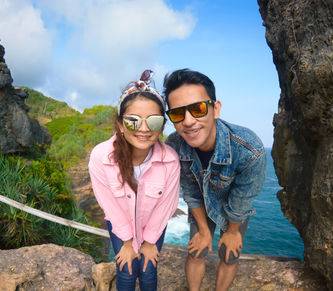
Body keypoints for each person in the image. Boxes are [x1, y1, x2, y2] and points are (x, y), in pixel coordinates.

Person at [164, 68, 267, 291]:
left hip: (235, 204)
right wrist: (203, 231)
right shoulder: (175, 145)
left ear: (215, 109)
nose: (189, 121)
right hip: (201, 200)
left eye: (198, 109)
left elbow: (242, 199)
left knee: (230, 254)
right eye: (177, 114)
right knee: (197, 250)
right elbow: (191, 191)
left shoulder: (249, 150)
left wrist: (231, 232)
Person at [88, 70, 180, 291]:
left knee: (148, 269)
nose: (144, 129)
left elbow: (166, 205)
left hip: (153, 223)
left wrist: (149, 243)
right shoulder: (101, 157)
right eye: (133, 121)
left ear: (162, 126)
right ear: (120, 125)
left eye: (154, 121)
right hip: (120, 221)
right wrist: (128, 243)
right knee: (127, 270)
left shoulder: (170, 160)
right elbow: (108, 203)